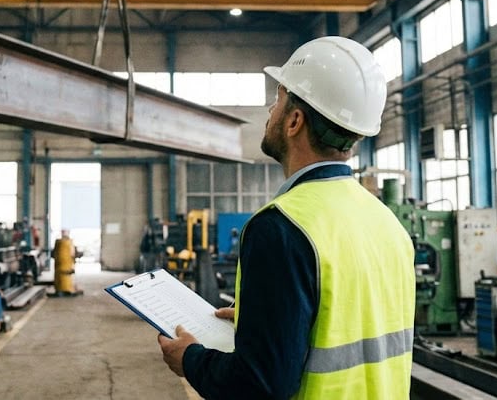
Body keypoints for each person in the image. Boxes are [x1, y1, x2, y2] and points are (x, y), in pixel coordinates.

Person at [158, 36, 415, 398]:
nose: (270, 110)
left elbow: (259, 386)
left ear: (294, 121)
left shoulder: (281, 227)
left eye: (278, 99)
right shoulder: (387, 223)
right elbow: (347, 321)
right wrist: (266, 322)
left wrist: (190, 359)